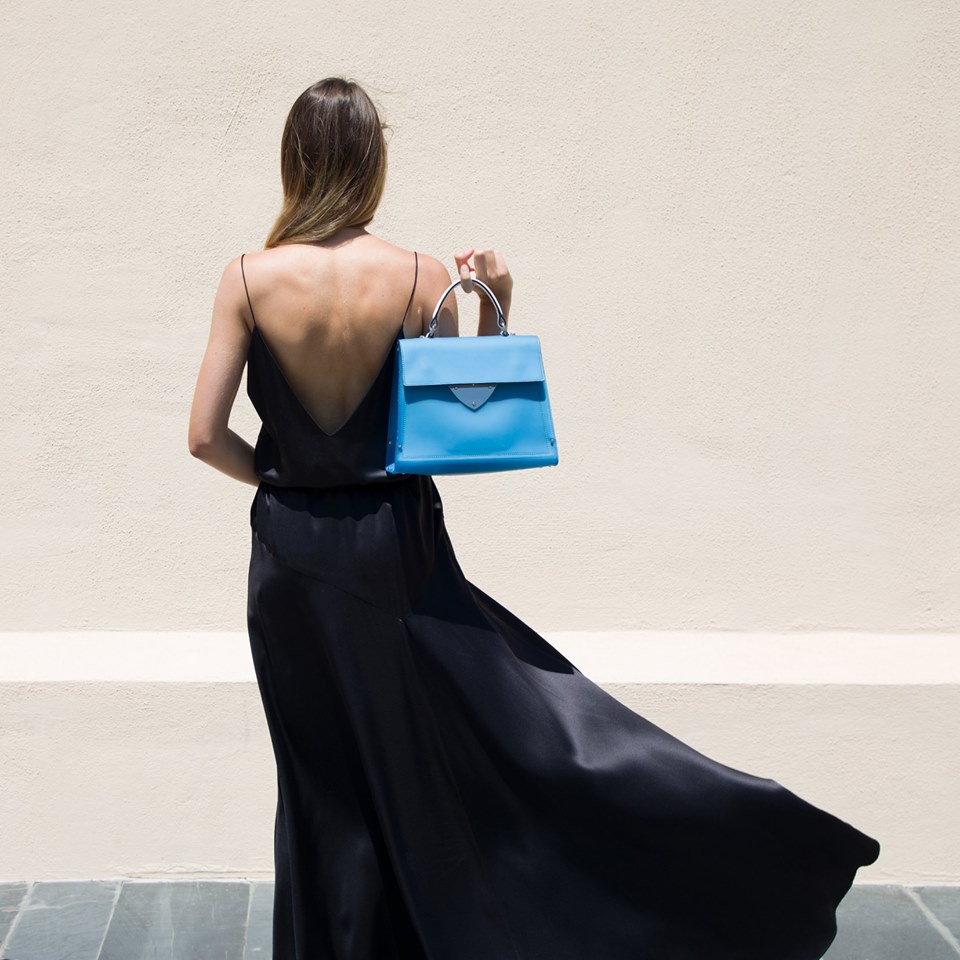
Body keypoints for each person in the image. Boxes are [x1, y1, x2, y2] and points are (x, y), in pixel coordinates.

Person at [187, 77, 880, 960]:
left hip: (290, 555)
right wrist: (497, 304)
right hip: (396, 545)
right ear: (371, 162)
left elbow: (204, 436)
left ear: (295, 159)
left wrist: (285, 476)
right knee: (443, 751)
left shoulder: (247, 278)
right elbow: (459, 420)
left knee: (320, 782)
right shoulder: (418, 275)